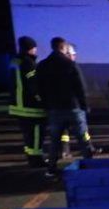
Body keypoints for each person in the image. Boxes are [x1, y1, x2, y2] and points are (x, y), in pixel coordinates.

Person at [36, 37, 97, 177]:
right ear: (64, 48)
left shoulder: (42, 65)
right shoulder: (70, 64)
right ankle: (91, 166)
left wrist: (46, 105)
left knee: (54, 140)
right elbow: (80, 88)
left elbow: (39, 88)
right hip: (73, 108)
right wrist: (84, 106)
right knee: (83, 138)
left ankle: (51, 168)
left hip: (54, 109)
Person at [8, 36, 45, 167]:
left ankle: (30, 157)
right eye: (34, 47)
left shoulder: (15, 61)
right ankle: (36, 160)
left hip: (17, 106)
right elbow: (33, 85)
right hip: (30, 107)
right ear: (30, 48)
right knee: (36, 134)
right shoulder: (29, 63)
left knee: (27, 134)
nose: (35, 50)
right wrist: (41, 100)